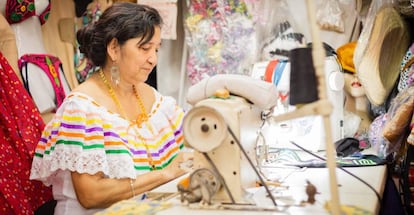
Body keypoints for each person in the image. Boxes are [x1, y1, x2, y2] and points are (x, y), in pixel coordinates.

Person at [30, 3, 193, 214]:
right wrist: (164, 174)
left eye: (157, 49)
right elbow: (90, 195)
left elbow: (190, 149)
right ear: (114, 48)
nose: (153, 59)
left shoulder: (156, 101)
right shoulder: (81, 109)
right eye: (145, 48)